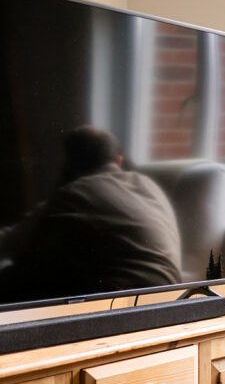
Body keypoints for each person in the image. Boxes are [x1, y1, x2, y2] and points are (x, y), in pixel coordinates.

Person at [0, 126, 182, 302]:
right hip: (170, 295)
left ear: (70, 164)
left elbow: (11, 243)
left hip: (119, 301)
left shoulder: (75, 192)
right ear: (118, 160)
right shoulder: (148, 184)